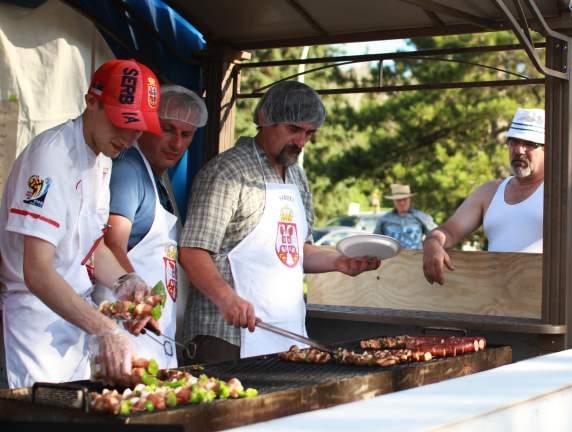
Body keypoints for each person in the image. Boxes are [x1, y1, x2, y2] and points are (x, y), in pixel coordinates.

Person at [179, 81, 380, 363]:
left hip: (287, 336)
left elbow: (297, 250)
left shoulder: (297, 176)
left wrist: (339, 263)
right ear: (264, 119)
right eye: (294, 129)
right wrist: (227, 299)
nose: (301, 142)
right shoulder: (228, 171)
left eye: (309, 133)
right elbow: (192, 251)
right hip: (227, 337)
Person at [0, 59, 160, 388]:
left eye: (138, 127)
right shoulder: (52, 156)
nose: (129, 138)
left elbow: (89, 241)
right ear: (92, 102)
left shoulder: (101, 156)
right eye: (122, 122)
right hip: (34, 324)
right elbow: (37, 271)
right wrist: (103, 328)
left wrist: (126, 282)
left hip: (73, 320)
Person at [94, 85, 207, 368]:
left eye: (186, 134)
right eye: (167, 129)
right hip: (129, 335)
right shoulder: (129, 171)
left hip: (154, 337)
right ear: (146, 125)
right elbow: (110, 244)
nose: (176, 143)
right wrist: (135, 299)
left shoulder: (156, 179)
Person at [423, 108, 572, 285]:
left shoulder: (565, 181)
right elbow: (449, 231)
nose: (519, 150)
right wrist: (432, 243)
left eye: (530, 143)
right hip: (498, 303)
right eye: (514, 141)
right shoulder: (489, 191)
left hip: (548, 300)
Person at [373, 184, 437, 249]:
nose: (402, 203)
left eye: (404, 199)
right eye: (398, 200)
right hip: (390, 258)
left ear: (409, 199)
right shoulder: (384, 219)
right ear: (394, 200)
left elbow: (436, 236)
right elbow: (375, 242)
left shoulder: (422, 217)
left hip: (416, 257)